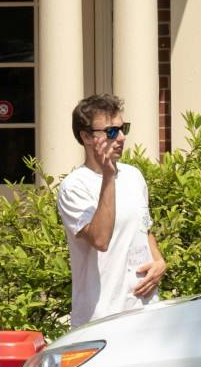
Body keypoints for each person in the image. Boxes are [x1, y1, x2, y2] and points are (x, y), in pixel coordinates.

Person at [56, 94, 166, 328]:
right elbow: (100, 239)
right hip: (102, 318)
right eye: (111, 132)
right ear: (86, 137)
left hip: (144, 312)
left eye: (122, 128)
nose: (122, 137)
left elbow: (143, 228)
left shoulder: (134, 175)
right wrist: (108, 177)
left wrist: (158, 261)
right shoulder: (74, 187)